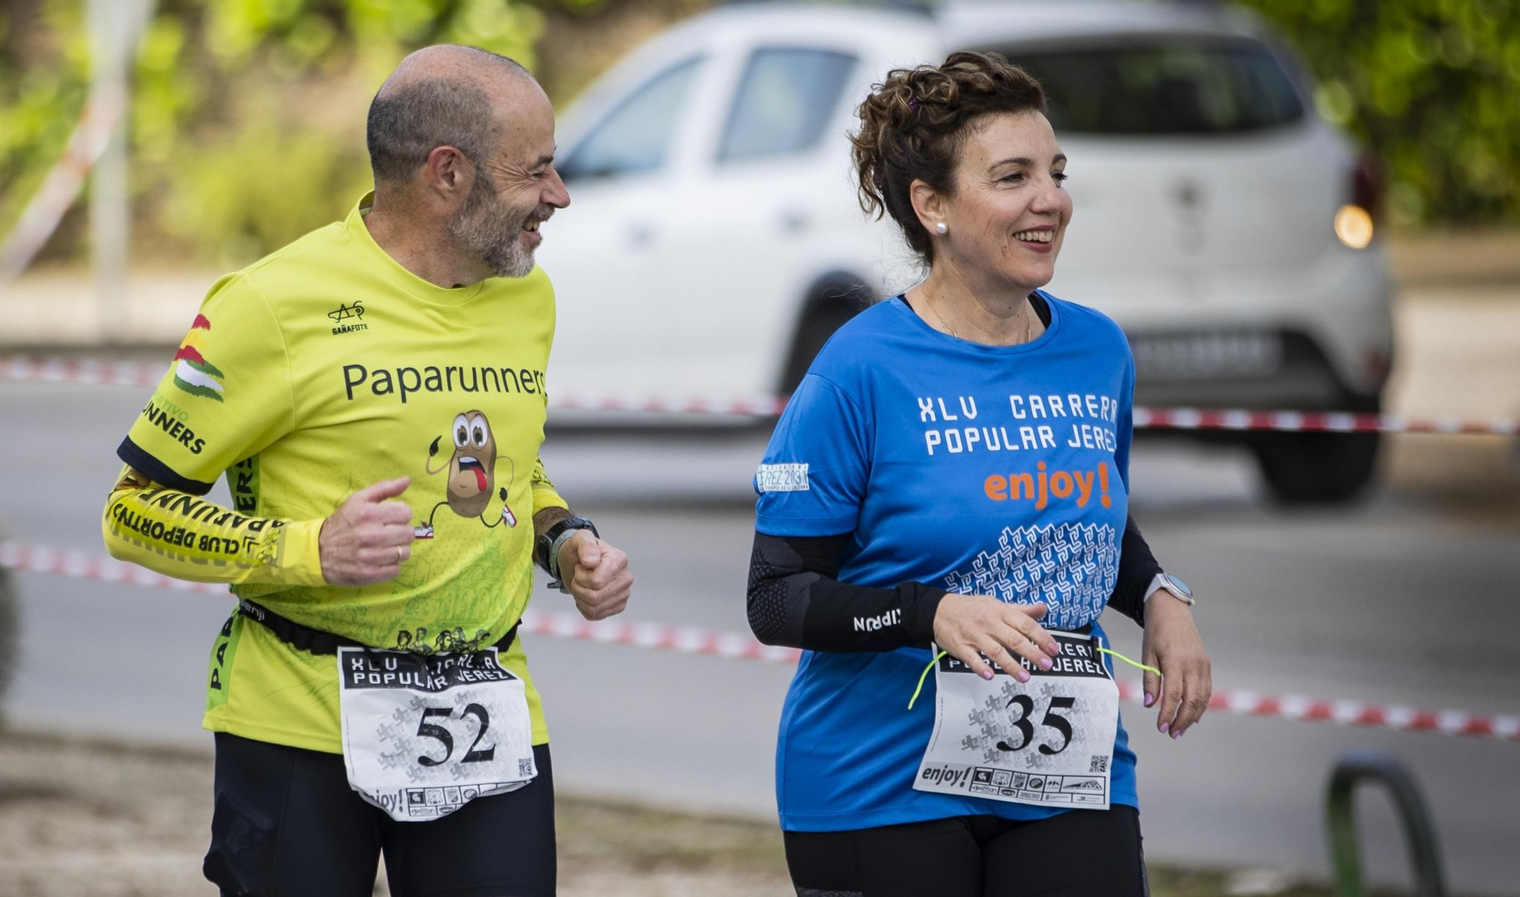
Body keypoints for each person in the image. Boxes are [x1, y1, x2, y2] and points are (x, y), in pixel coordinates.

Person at [100, 45, 633, 897]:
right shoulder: (268, 306)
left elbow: (512, 473)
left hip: (482, 708)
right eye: (536, 170)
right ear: (447, 174)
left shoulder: (528, 298)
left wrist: (565, 543)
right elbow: (131, 513)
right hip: (299, 720)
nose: (559, 194)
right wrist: (312, 549)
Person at [746, 51, 1211, 897]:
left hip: (1067, 772)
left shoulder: (1096, 349)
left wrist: (1157, 593)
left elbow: (1083, 509)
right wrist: (930, 612)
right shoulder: (859, 369)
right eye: (1012, 177)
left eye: (1056, 173)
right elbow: (775, 596)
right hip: (882, 782)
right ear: (933, 207)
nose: (1051, 200)